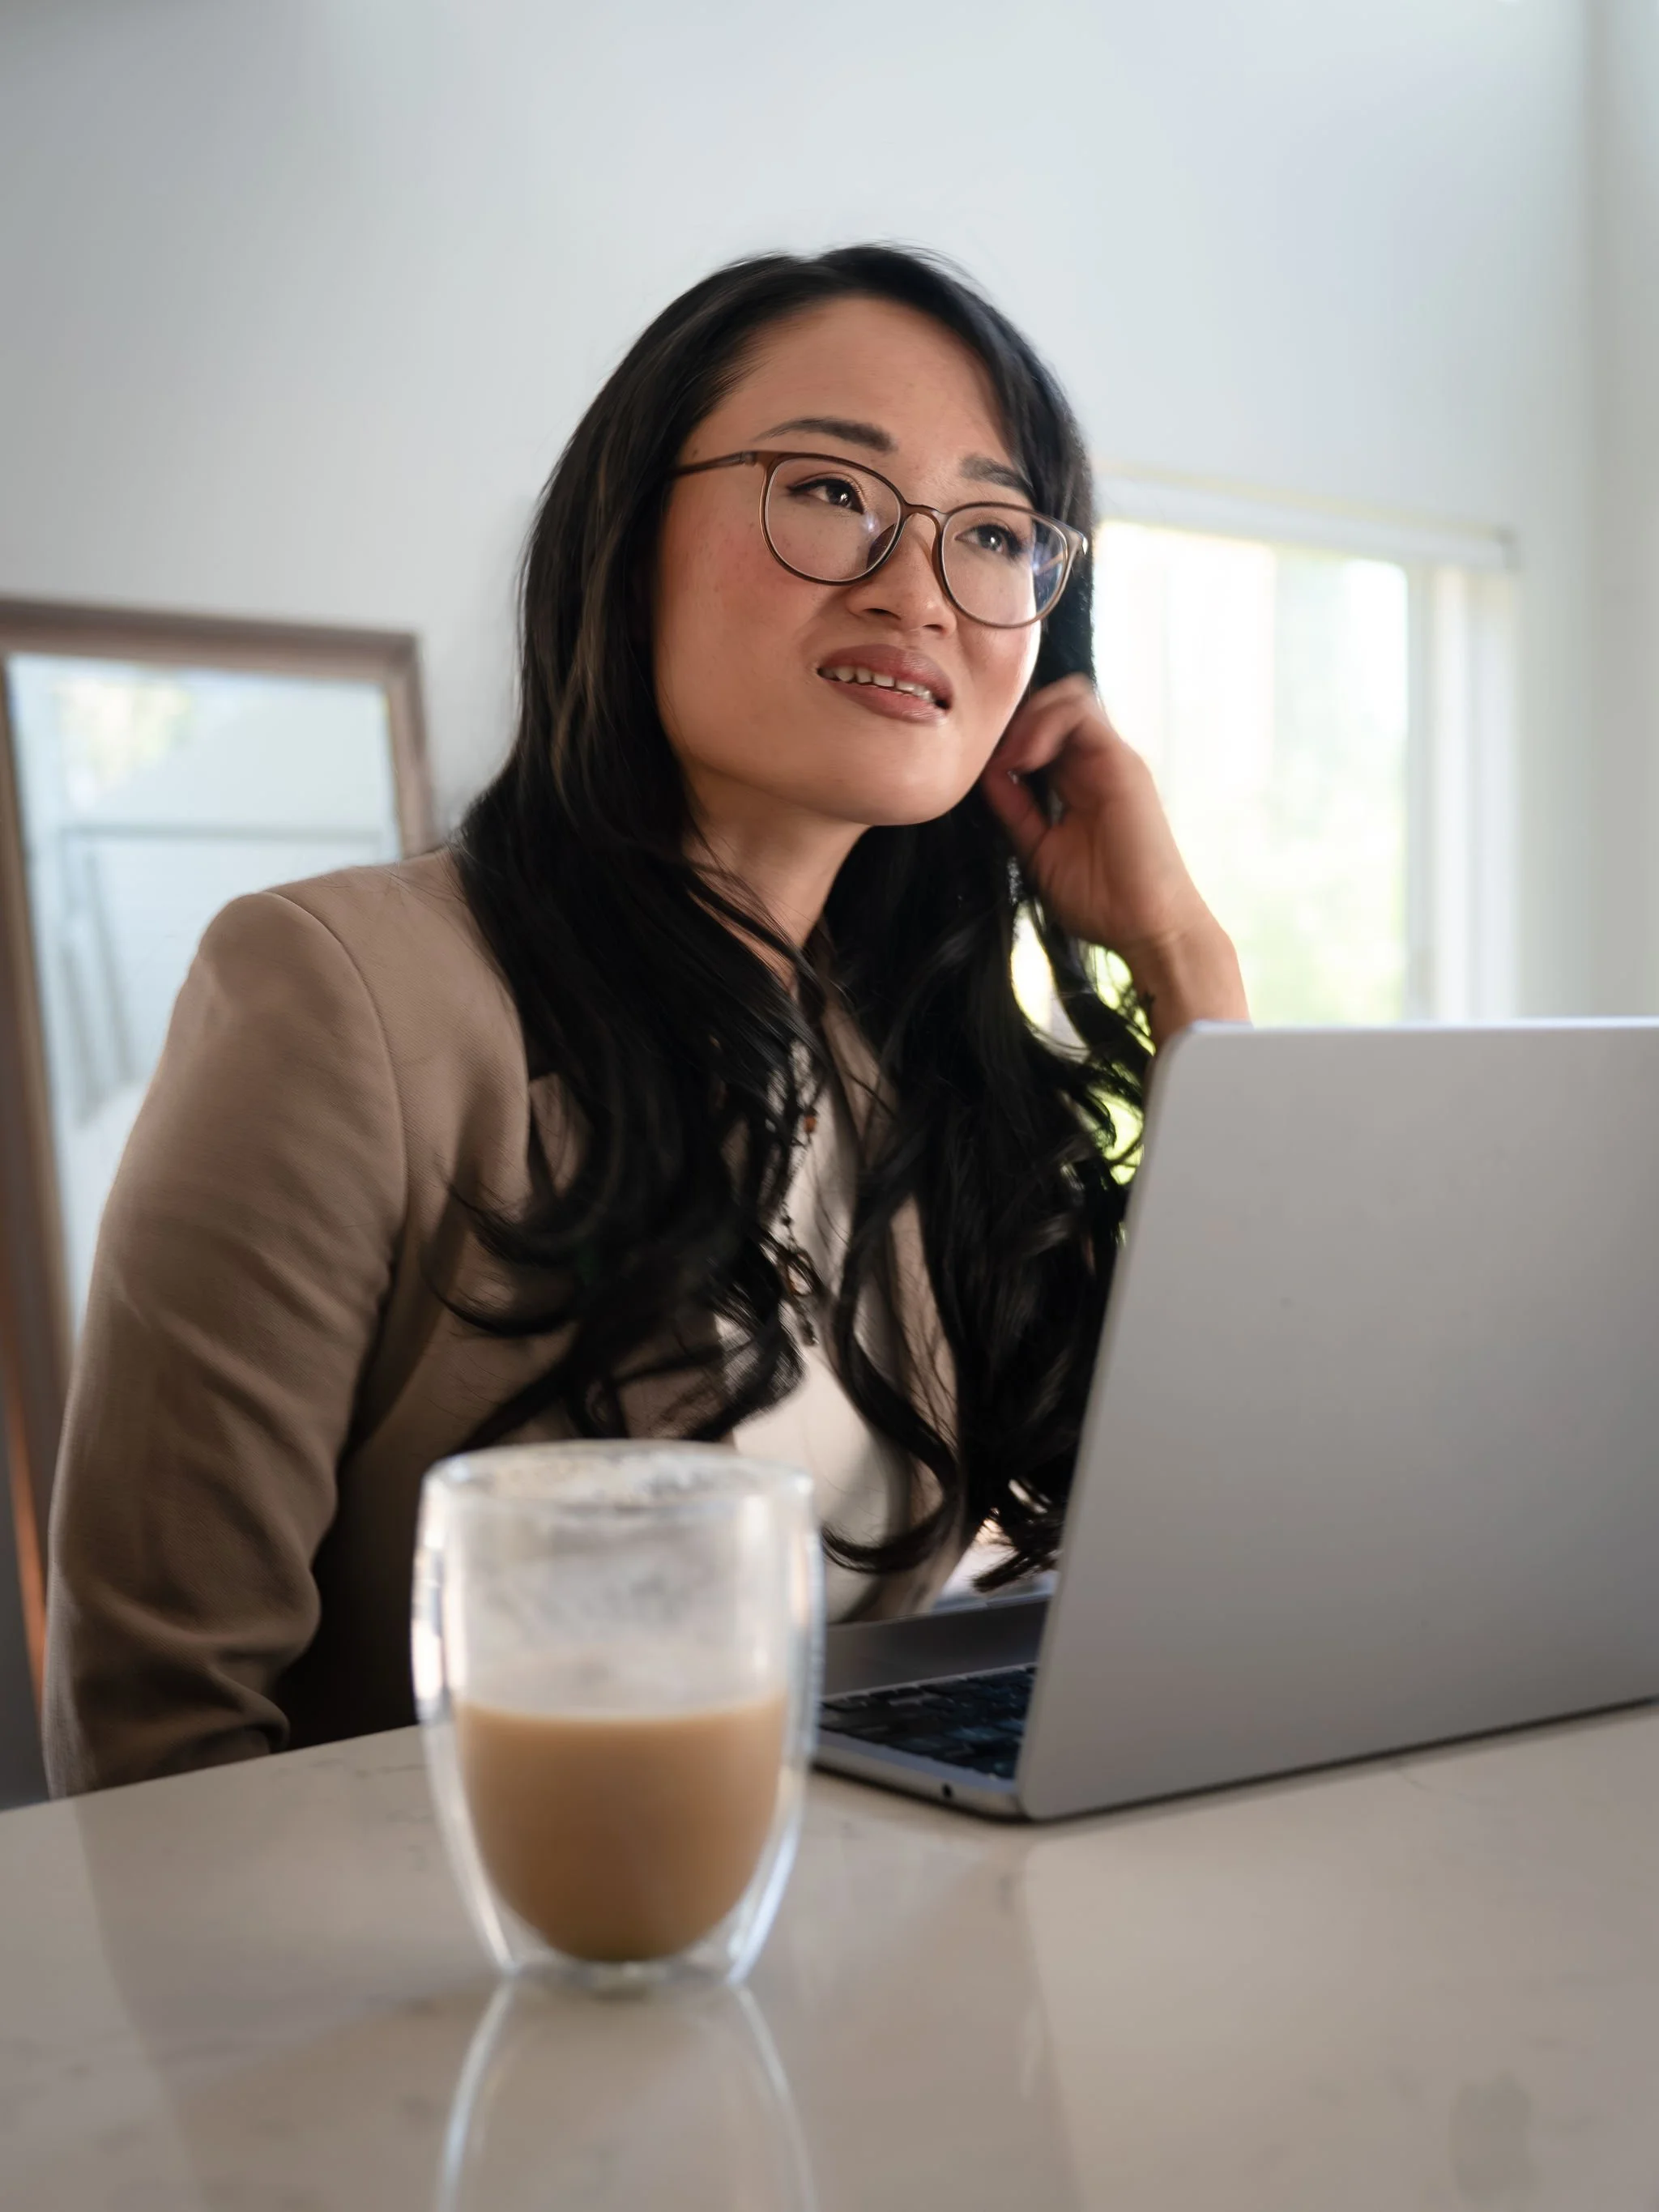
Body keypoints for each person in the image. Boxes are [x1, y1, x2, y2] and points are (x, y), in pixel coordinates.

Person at [42, 245, 1247, 1795]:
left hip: (869, 1972)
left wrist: (1182, 953)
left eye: (997, 531)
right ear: (627, 536)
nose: (916, 586)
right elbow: (160, 1740)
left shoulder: (912, 1073)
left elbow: (1231, 1509)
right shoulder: (341, 994)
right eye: (829, 490)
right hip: (467, 1990)